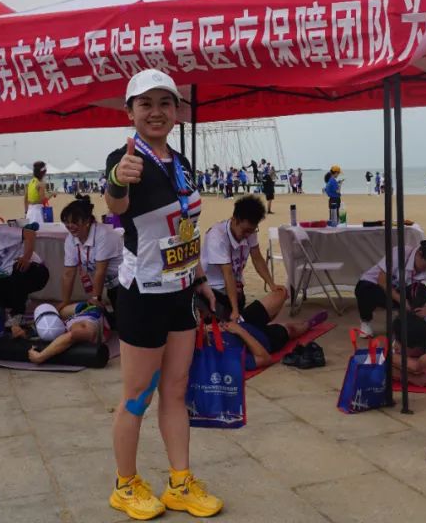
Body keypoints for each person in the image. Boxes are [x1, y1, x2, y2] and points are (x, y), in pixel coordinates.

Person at [104, 69, 222, 519]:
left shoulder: (181, 161)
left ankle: (179, 482)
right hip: (143, 293)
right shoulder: (125, 157)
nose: (156, 112)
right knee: (137, 395)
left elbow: (185, 226)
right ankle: (125, 484)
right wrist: (118, 179)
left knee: (175, 389)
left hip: (180, 291)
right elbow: (116, 206)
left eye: (165, 103)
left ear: (176, 111)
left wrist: (200, 278)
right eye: (145, 103)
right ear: (130, 112)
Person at [200, 194, 287, 326]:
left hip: (237, 292)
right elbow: (228, 274)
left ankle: (242, 324)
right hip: (215, 294)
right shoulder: (217, 236)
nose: (248, 235)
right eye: (245, 231)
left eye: (252, 231)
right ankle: (237, 322)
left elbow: (257, 258)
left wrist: (272, 284)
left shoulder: (250, 231)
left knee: (281, 294)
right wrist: (235, 310)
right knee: (237, 323)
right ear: (234, 220)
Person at [355, 240, 426, 337]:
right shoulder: (399, 253)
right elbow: (382, 280)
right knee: (363, 290)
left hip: (400, 293)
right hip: (378, 287)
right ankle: (365, 321)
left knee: (420, 290)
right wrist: (401, 299)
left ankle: (416, 318)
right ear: (419, 254)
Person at [59, 195, 123, 319]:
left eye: (74, 222)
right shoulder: (71, 239)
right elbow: (68, 273)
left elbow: (100, 271)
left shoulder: (104, 234)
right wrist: (65, 302)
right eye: (66, 222)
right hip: (111, 285)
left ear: (87, 221)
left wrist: (95, 298)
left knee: (124, 322)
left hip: (126, 283)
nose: (70, 226)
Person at [27, 302, 104, 364]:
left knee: (63, 311)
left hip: (89, 309)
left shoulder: (83, 327)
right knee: (62, 311)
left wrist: (40, 357)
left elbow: (71, 336)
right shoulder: (69, 324)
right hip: (85, 311)